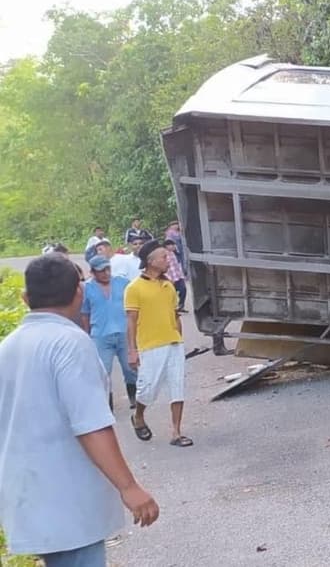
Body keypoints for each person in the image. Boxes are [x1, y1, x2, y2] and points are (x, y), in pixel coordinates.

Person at [0, 254, 159, 567]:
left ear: (25, 298)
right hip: (68, 500)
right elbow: (90, 424)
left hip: (26, 494)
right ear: (80, 292)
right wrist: (129, 487)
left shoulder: (8, 347)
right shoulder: (70, 343)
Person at [126, 242, 192, 447]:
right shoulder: (134, 288)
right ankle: (139, 416)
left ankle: (176, 432)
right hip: (150, 345)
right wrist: (132, 350)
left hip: (173, 342)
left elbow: (175, 315)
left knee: (177, 387)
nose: (167, 260)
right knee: (148, 389)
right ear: (151, 262)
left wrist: (179, 338)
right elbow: (131, 321)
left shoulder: (169, 286)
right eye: (163, 257)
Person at [81, 255, 138, 410]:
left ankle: (134, 397)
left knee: (130, 368)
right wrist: (87, 335)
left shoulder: (122, 283)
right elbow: (85, 313)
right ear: (93, 272)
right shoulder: (87, 288)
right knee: (103, 372)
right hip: (100, 335)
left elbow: (134, 307)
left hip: (124, 332)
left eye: (108, 269)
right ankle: (107, 404)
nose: (106, 273)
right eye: (101, 271)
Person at [163, 239, 187, 313]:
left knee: (183, 290)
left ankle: (181, 306)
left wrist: (181, 275)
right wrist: (168, 278)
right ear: (167, 246)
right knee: (171, 294)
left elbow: (177, 265)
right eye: (172, 245)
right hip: (170, 278)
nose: (174, 246)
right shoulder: (164, 255)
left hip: (178, 276)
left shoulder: (173, 253)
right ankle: (172, 308)